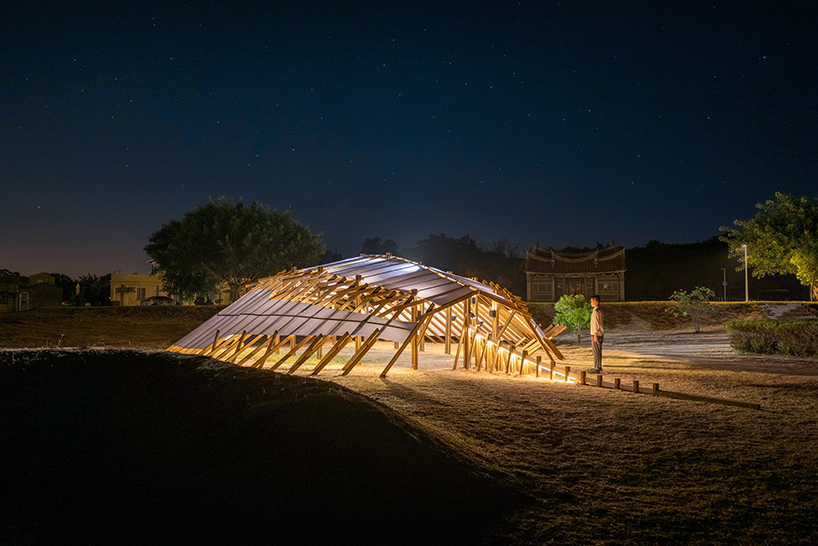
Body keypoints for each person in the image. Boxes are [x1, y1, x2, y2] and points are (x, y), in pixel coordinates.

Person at [589, 294, 604, 373]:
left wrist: (595, 335)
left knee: (596, 351)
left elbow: (596, 324)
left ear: (595, 301)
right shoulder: (599, 310)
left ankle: (596, 368)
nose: (591, 303)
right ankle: (599, 366)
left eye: (592, 301)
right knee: (598, 351)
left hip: (596, 334)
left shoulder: (596, 312)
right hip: (600, 333)